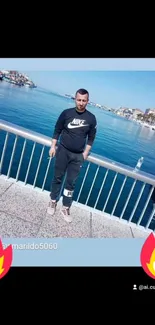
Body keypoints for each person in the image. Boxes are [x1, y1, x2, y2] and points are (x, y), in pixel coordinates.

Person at [47, 88, 97, 222]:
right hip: (62, 151)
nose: (81, 103)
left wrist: (85, 153)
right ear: (75, 99)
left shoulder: (91, 118)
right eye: (79, 100)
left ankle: (66, 207)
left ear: (88, 101)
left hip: (77, 156)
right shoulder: (66, 113)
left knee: (71, 183)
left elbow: (91, 137)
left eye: (84, 100)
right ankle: (53, 200)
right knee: (57, 177)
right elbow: (57, 130)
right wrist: (53, 146)